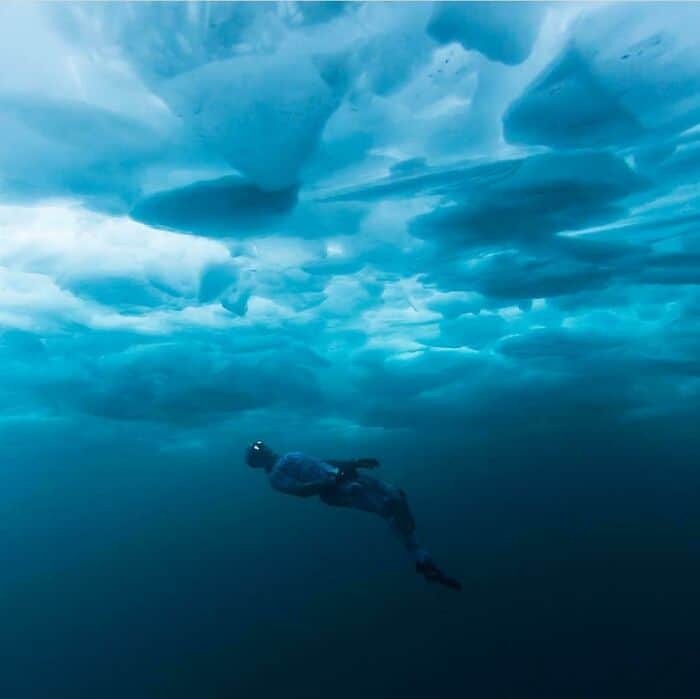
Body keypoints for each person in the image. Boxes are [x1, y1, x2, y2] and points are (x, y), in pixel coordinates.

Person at [245, 440, 461, 590]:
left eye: (262, 445)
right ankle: (421, 559)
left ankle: (421, 559)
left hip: (346, 477)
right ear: (256, 462)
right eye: (258, 450)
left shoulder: (290, 456)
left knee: (396, 495)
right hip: (338, 490)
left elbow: (321, 463)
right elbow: (300, 490)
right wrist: (328, 482)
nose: (263, 448)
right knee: (387, 505)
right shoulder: (275, 477)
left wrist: (354, 462)